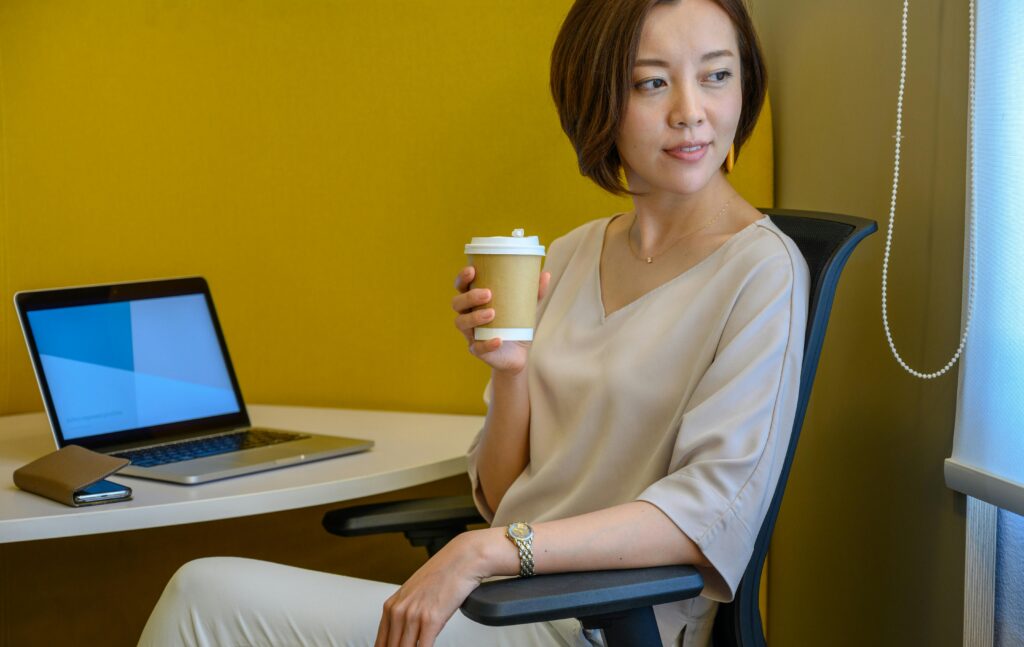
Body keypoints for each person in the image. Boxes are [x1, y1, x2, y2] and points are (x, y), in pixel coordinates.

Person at [138, 0, 808, 645]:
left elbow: (705, 516)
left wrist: (482, 552)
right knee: (200, 597)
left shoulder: (761, 270)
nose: (691, 112)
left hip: (597, 624)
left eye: (717, 75)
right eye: (652, 83)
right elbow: (498, 494)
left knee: (201, 600)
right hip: (501, 604)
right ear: (597, 99)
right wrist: (510, 370)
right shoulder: (575, 252)